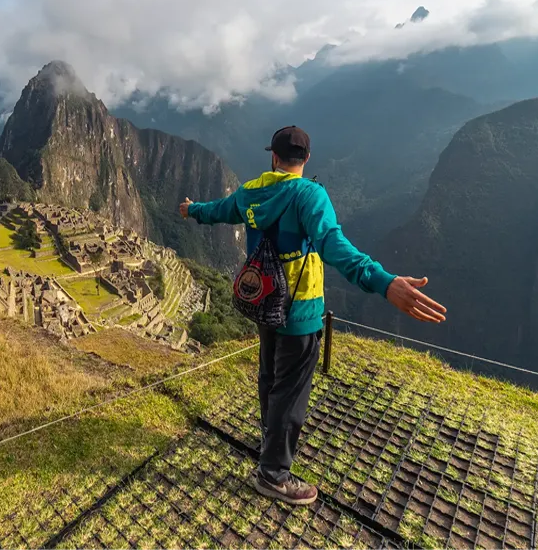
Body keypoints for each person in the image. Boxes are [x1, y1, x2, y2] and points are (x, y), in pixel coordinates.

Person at [179, 125, 446, 506]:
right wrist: (384, 282)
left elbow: (219, 211)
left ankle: (270, 444)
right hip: (300, 310)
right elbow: (335, 246)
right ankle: (273, 474)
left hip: (262, 301)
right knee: (291, 390)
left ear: (273, 157)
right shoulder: (309, 196)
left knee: (271, 376)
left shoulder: (251, 191)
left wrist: (192, 211)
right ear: (306, 160)